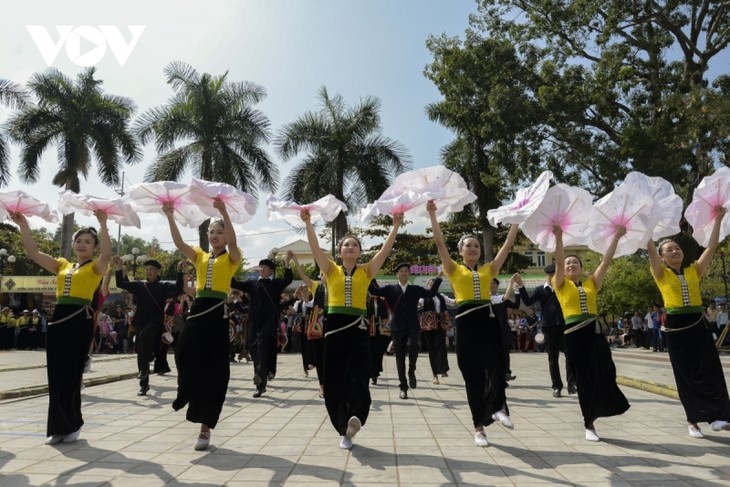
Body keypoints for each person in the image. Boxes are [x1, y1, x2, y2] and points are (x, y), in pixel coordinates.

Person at [300, 208, 403, 450]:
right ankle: (343, 428)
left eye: (354, 245)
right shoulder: (330, 270)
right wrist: (308, 224)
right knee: (334, 381)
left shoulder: (366, 271)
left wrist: (395, 226)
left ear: (359, 252)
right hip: (334, 330)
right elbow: (316, 249)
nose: (350, 247)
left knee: (359, 377)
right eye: (346, 245)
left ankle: (356, 416)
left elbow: (385, 251)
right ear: (340, 251)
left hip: (358, 329)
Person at [12, 209, 111, 444]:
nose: (82, 244)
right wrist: (24, 225)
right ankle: (57, 427)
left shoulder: (94, 268)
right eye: (79, 240)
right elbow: (33, 253)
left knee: (72, 374)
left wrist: (104, 224)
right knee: (55, 375)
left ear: (94, 247)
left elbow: (107, 255)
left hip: (80, 320)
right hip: (58, 320)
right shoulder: (62, 265)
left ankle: (73, 424)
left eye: (88, 242)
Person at [427, 200, 519, 447]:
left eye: (476, 245)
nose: (473, 248)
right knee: (473, 377)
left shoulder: (489, 269)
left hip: (487, 322)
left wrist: (516, 221)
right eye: (468, 245)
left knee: (498, 366)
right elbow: (439, 243)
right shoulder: (453, 269)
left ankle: (499, 408)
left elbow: (508, 246)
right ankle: (478, 428)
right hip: (466, 325)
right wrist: (433, 215)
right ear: (461, 251)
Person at [164, 198, 241, 451]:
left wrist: (223, 213)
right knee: (183, 351)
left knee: (215, 370)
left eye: (219, 231)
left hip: (218, 313)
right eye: (212, 232)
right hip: (198, 311)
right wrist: (170, 215)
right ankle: (186, 390)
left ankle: (205, 428)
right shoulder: (199, 256)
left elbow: (232, 242)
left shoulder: (231, 258)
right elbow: (178, 243)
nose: (215, 235)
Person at [647, 206, 730, 438]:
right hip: (676, 326)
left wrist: (718, 220)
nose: (674, 251)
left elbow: (711, 247)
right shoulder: (661, 274)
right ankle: (693, 420)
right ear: (662, 258)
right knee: (685, 372)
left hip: (697, 322)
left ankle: (718, 416)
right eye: (668, 250)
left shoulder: (694, 270)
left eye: (676, 248)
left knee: (710, 368)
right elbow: (651, 250)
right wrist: (649, 227)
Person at [552, 224, 630, 442]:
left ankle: (606, 404)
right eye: (568, 263)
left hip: (594, 333)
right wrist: (559, 237)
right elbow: (558, 261)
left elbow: (605, 261)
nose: (570, 265)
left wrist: (616, 236)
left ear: (581, 266)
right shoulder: (559, 285)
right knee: (584, 380)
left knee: (607, 369)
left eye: (574, 262)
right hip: (575, 335)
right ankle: (589, 424)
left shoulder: (591, 283)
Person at [113, 256, 185, 396]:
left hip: (155, 321)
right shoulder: (139, 286)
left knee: (144, 336)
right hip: (141, 321)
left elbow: (177, 290)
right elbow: (121, 283)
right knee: (141, 350)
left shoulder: (163, 286)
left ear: (157, 272)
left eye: (152, 269)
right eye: (147, 269)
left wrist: (179, 272)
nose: (149, 272)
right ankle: (144, 383)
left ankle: (146, 367)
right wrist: (119, 267)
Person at [368, 264, 442, 399]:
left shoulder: (415, 289)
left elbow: (431, 293)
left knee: (413, 349)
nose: (403, 273)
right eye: (401, 271)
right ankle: (403, 387)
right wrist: (366, 275)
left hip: (413, 324)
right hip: (396, 327)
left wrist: (439, 277)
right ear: (397, 274)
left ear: (409, 274)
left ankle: (412, 370)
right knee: (399, 356)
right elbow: (373, 291)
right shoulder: (390, 289)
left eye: (406, 271)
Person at [231, 253, 293, 398]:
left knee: (263, 348)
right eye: (260, 267)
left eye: (265, 267)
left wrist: (287, 263)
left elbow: (288, 279)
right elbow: (234, 284)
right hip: (254, 322)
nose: (262, 269)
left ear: (271, 270)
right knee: (254, 351)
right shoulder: (252, 284)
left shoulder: (276, 284)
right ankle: (261, 381)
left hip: (269, 322)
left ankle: (259, 380)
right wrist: (230, 267)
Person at [515, 265, 577, 398]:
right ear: (547, 276)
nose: (554, 277)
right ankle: (557, 387)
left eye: (557, 275)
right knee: (552, 358)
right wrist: (520, 286)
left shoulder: (565, 289)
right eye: (551, 275)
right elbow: (527, 301)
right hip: (548, 327)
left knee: (570, 355)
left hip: (565, 325)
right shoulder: (540, 290)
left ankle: (572, 383)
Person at [419, 277, 451, 385]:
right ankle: (434, 374)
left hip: (440, 323)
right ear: (427, 286)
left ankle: (443, 369)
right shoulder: (424, 296)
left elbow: (453, 302)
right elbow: (418, 303)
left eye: (433, 284)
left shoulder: (441, 296)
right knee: (432, 348)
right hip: (429, 325)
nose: (432, 286)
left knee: (441, 346)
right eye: (430, 285)